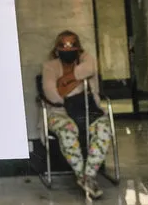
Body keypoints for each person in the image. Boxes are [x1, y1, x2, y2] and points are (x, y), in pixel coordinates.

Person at [41, 30, 111, 199]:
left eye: (72, 45)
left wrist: (66, 80)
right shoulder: (49, 66)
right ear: (57, 49)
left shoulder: (86, 60)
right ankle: (83, 176)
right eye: (63, 46)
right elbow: (52, 92)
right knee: (67, 130)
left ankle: (88, 176)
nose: (68, 49)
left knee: (103, 129)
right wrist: (78, 81)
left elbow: (90, 67)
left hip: (88, 110)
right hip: (60, 112)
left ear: (78, 48)